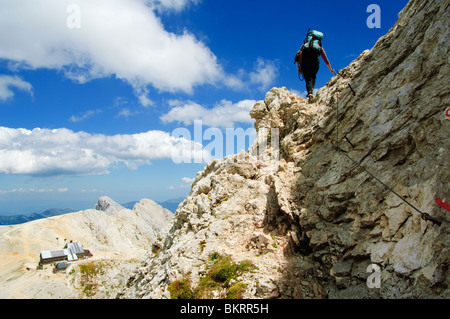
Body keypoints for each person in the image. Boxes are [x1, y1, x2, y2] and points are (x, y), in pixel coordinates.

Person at [295, 30, 335, 100]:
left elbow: (297, 57)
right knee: (313, 76)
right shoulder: (318, 46)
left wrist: (298, 68)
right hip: (315, 63)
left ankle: (310, 93)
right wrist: (330, 69)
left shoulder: (304, 46)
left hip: (305, 63)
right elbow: (326, 59)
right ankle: (311, 91)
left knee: (308, 78)